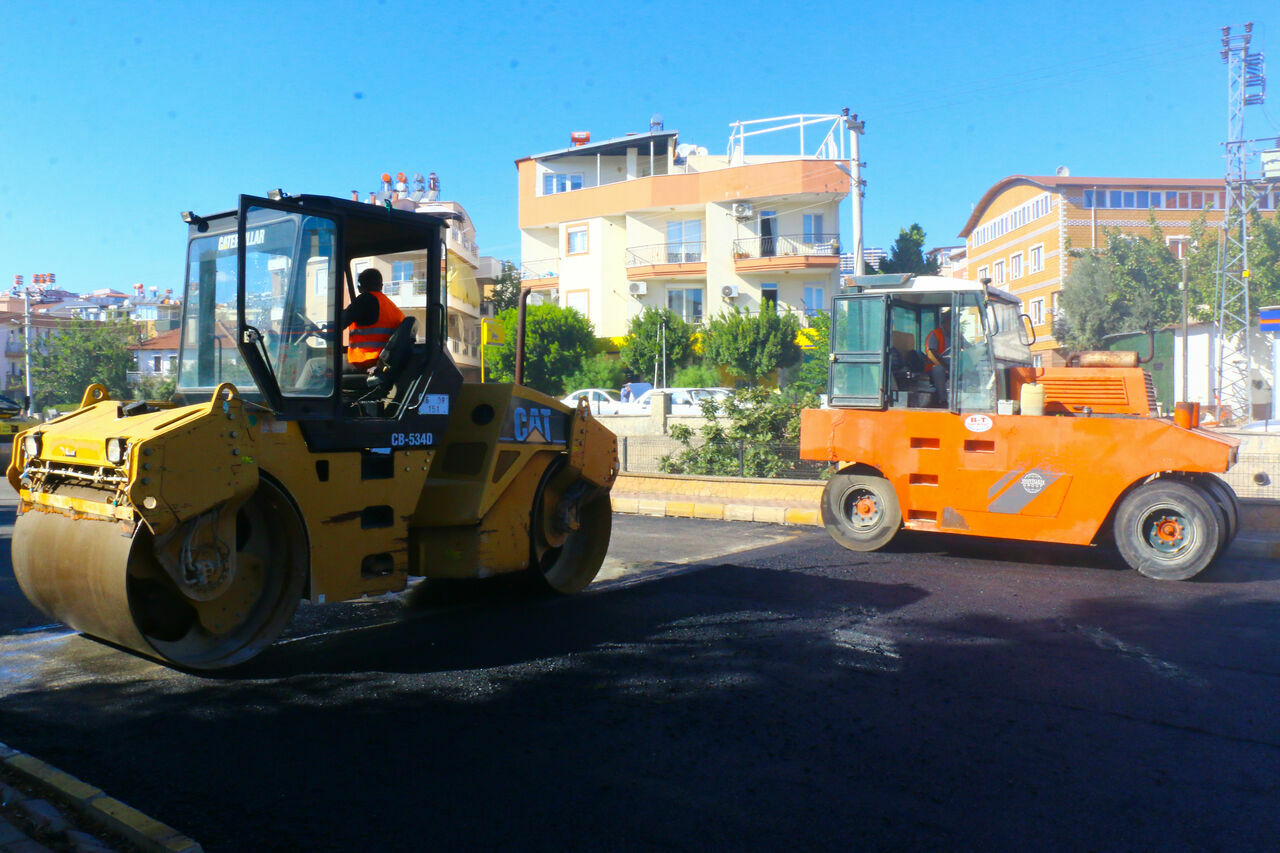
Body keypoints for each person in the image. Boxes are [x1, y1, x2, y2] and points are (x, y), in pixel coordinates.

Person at [342, 268, 405, 372]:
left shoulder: (365, 300)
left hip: (367, 361)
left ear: (359, 288)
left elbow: (341, 321)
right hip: (383, 361)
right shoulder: (390, 305)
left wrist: (326, 328)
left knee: (314, 365)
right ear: (381, 286)